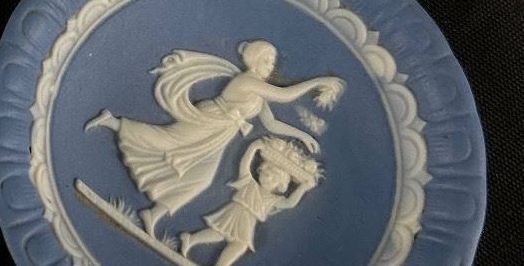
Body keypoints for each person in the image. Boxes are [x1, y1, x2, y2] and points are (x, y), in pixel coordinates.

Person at [85, 39, 342, 237]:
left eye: (272, 61)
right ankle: (111, 121)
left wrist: (302, 135)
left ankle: (153, 214)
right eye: (267, 60)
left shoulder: (259, 93)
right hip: (212, 119)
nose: (271, 66)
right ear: (254, 60)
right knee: (166, 141)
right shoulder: (247, 81)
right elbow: (284, 95)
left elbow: (270, 122)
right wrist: (319, 81)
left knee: (201, 178)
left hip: (222, 133)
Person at [177, 137, 322, 266]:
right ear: (260, 171)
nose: (267, 178)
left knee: (226, 237)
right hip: (237, 212)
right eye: (266, 173)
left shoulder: (271, 198)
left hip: (248, 219)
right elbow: (244, 165)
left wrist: (303, 187)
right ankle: (216, 265)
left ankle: (195, 244)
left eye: (273, 179)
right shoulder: (249, 183)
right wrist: (253, 148)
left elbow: (289, 203)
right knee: (234, 241)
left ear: (281, 185)